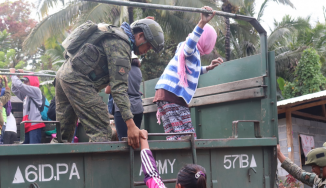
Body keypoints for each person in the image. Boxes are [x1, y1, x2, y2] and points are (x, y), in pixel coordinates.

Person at [55, 17, 164, 148]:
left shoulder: (113, 33)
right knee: (101, 131)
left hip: (63, 75)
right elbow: (118, 88)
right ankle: (98, 168)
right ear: (140, 35)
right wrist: (131, 125)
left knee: (62, 136)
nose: (147, 50)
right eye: (149, 45)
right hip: (77, 81)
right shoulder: (121, 45)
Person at [154, 6, 223, 140]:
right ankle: (188, 160)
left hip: (164, 94)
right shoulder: (191, 49)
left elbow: (191, 71)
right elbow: (190, 46)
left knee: (173, 136)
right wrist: (202, 23)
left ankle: (176, 159)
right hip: (173, 95)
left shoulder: (186, 50)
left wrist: (207, 68)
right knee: (187, 136)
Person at [105, 52, 143, 141]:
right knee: (135, 139)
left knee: (123, 140)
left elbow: (108, 90)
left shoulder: (121, 69)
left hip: (122, 108)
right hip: (138, 107)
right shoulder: (138, 70)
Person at [10, 68, 45, 144]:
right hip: (27, 125)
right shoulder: (26, 96)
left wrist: (13, 75)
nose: (25, 83)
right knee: (25, 150)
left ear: (32, 81)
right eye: (24, 81)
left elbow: (20, 86)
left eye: (27, 81)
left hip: (34, 125)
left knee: (33, 150)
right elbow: (14, 89)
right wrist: (17, 77)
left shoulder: (36, 90)